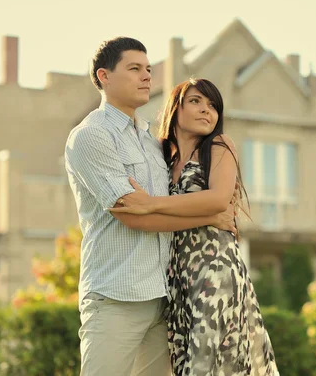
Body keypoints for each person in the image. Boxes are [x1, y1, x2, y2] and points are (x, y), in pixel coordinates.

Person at [64, 38, 237, 376]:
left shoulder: (150, 140)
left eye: (147, 69)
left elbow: (161, 207)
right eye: (134, 69)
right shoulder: (92, 136)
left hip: (163, 299)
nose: (146, 76)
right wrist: (211, 216)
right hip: (116, 297)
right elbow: (132, 214)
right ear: (104, 76)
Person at [109, 78, 279, 375]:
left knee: (204, 363)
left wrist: (151, 203)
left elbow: (217, 200)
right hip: (178, 278)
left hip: (216, 269)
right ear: (176, 108)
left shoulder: (219, 146)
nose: (206, 110)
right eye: (196, 101)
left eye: (213, 105)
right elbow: (200, 213)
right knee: (185, 362)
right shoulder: (162, 157)